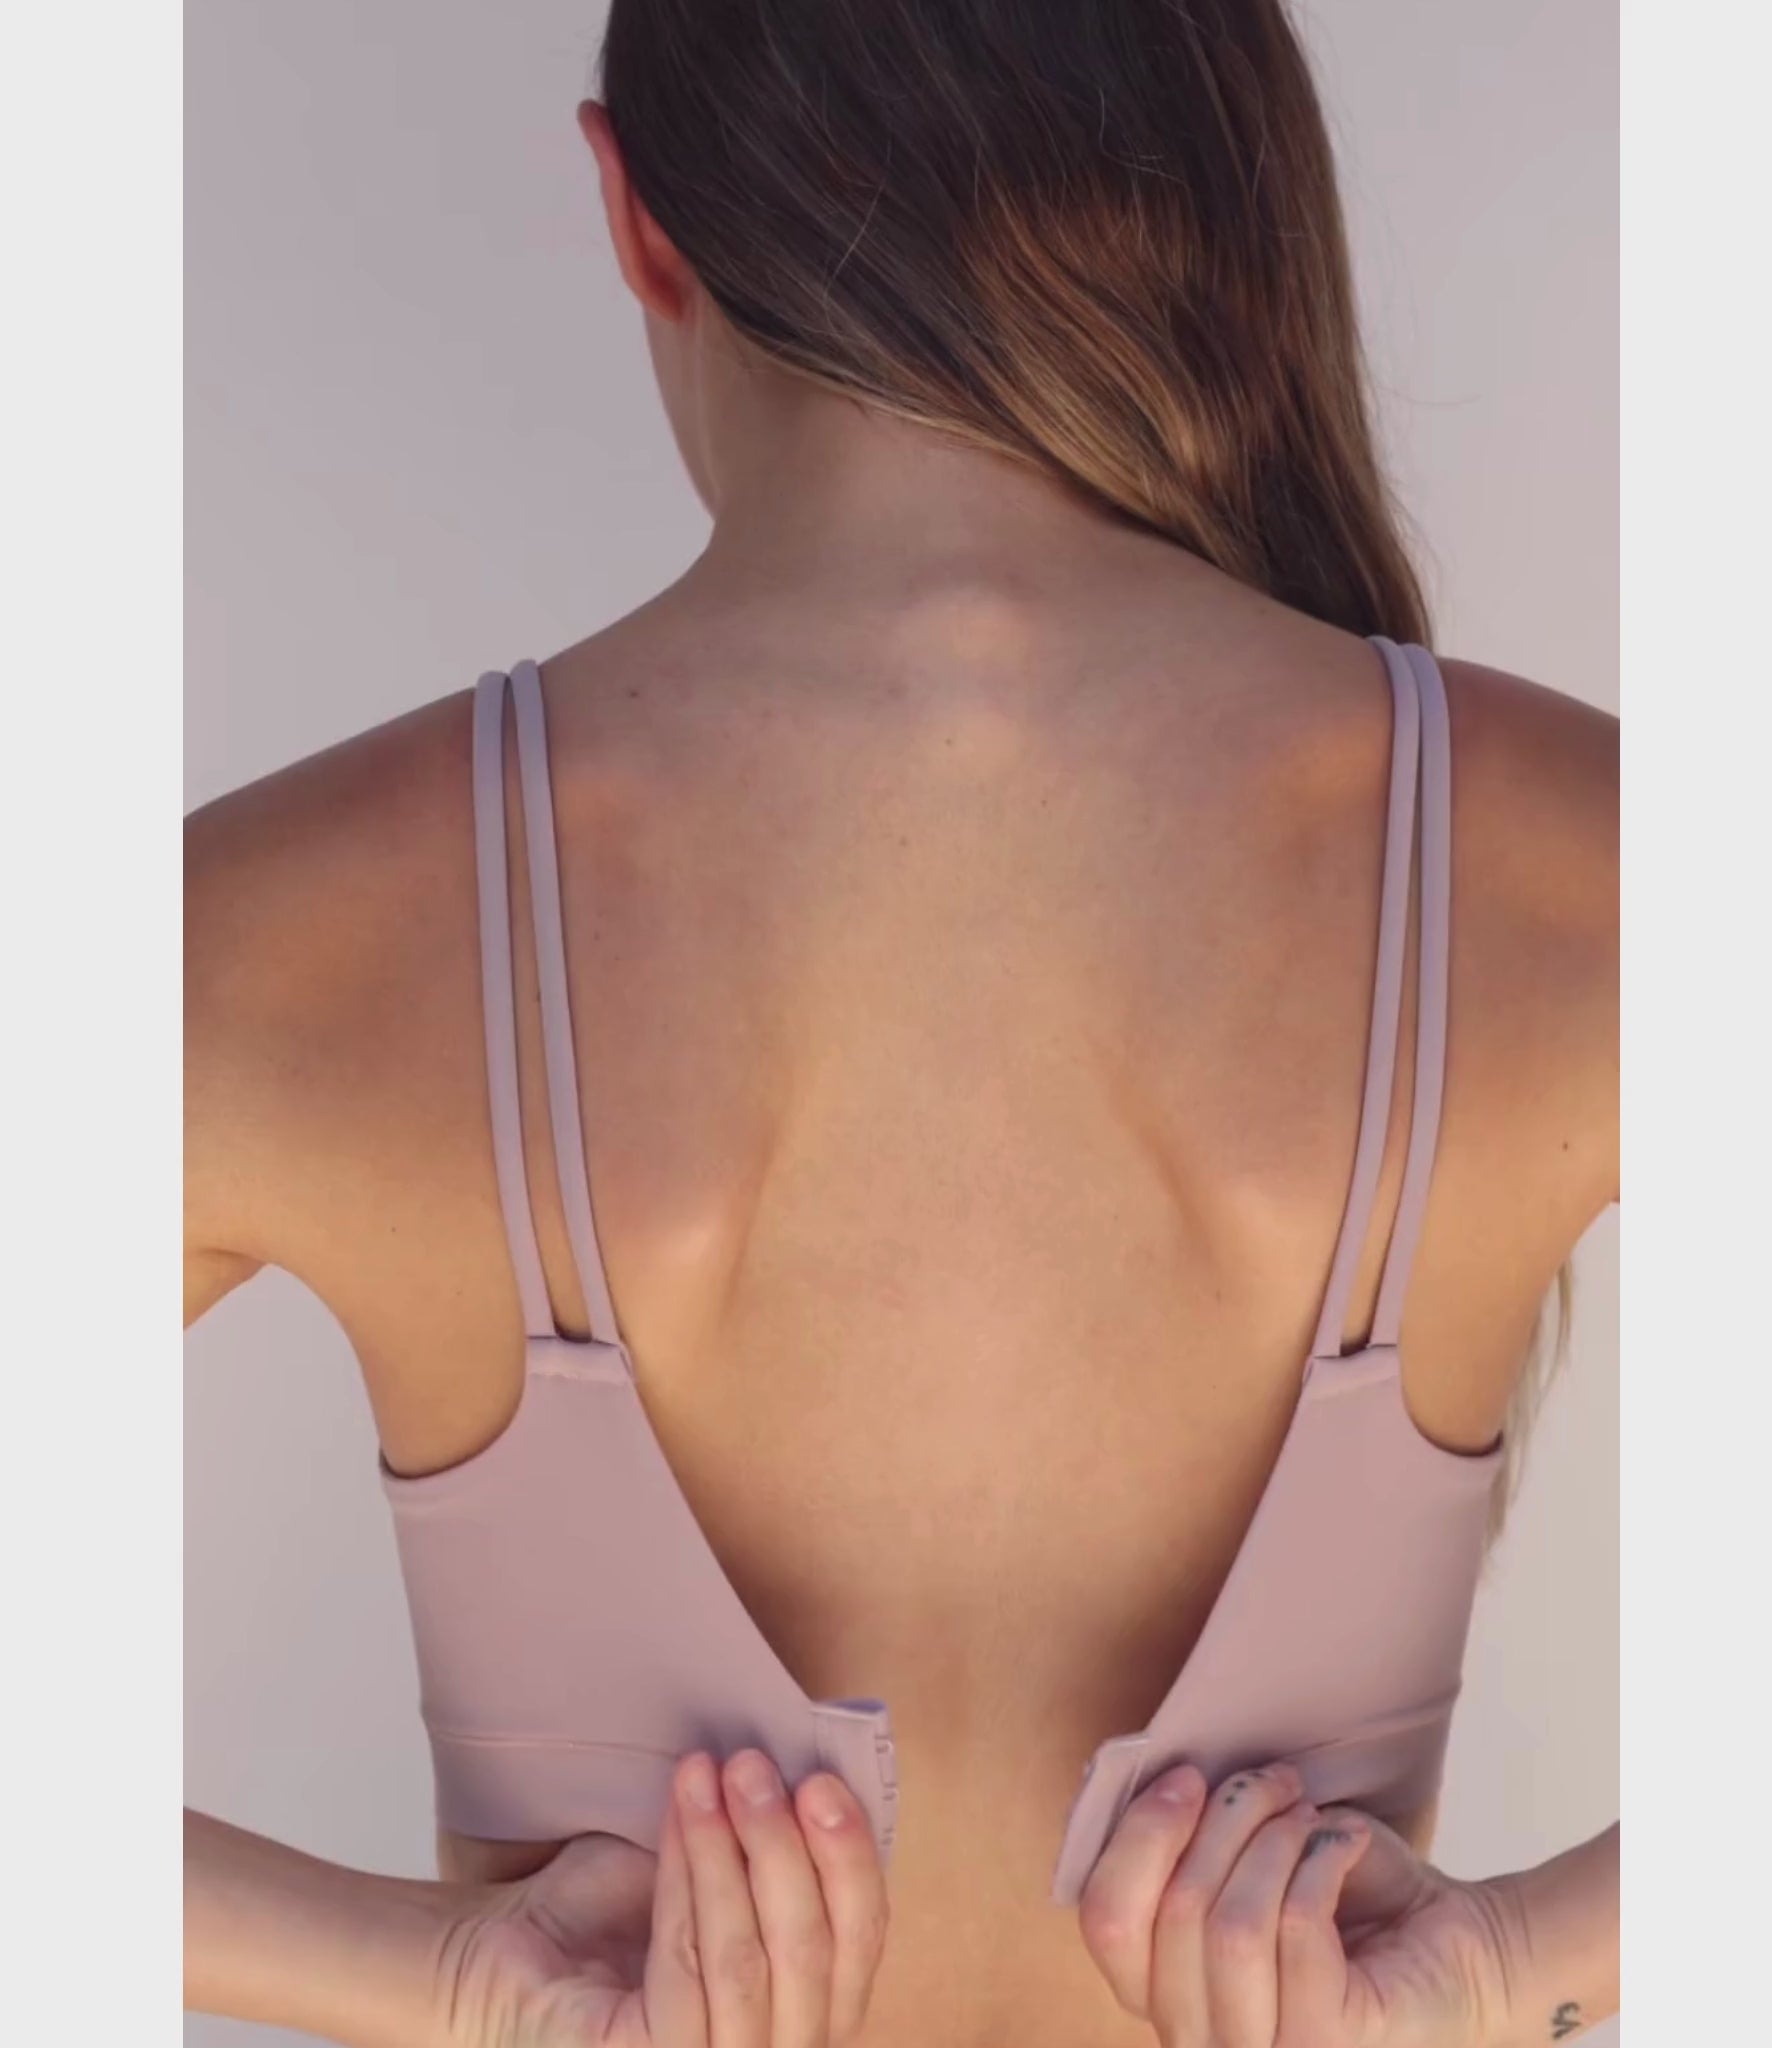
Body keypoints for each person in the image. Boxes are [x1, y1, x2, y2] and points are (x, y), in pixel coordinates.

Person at [184, 3, 1618, 2044]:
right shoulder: (1586, 873)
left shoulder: (303, 930)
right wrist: (1513, 1965)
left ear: (638, 219)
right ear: (1217, 191)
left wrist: (452, 1985)